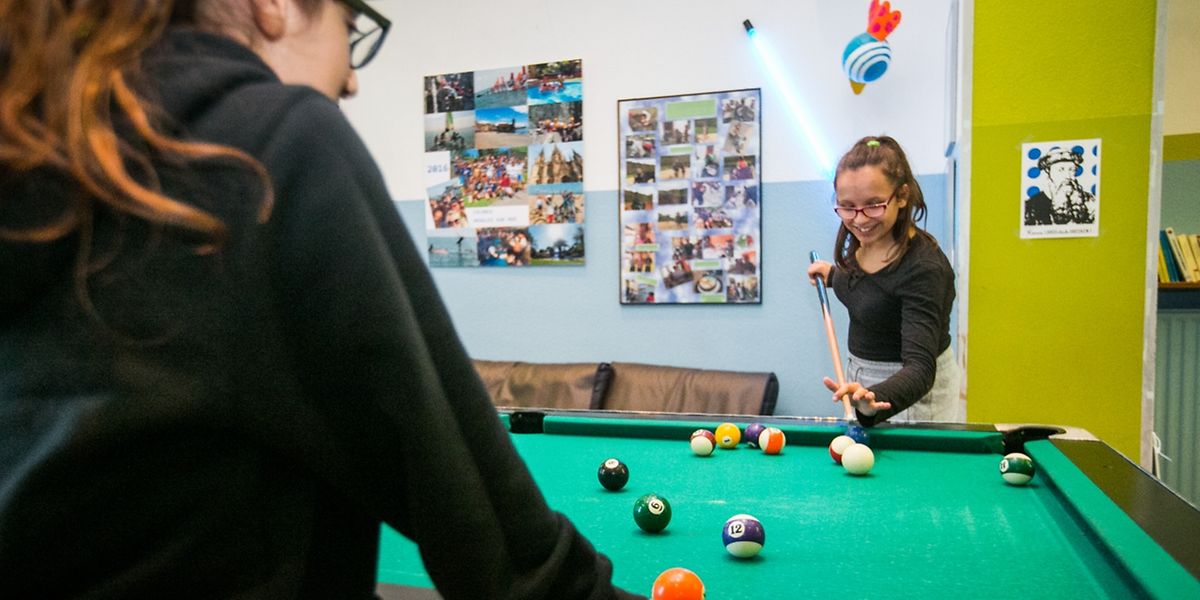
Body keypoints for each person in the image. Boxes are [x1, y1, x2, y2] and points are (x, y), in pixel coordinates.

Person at [0, 1, 641, 598]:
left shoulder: (39, 161)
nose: (352, 82)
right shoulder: (265, 149)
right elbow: (499, 542)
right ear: (273, 4)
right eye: (350, 20)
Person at [806, 136, 959, 426]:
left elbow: (920, 369)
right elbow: (873, 289)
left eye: (874, 204)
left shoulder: (924, 269)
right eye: (847, 207)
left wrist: (873, 397)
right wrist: (833, 275)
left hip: (909, 390)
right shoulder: (864, 241)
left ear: (901, 196)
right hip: (862, 382)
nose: (860, 219)